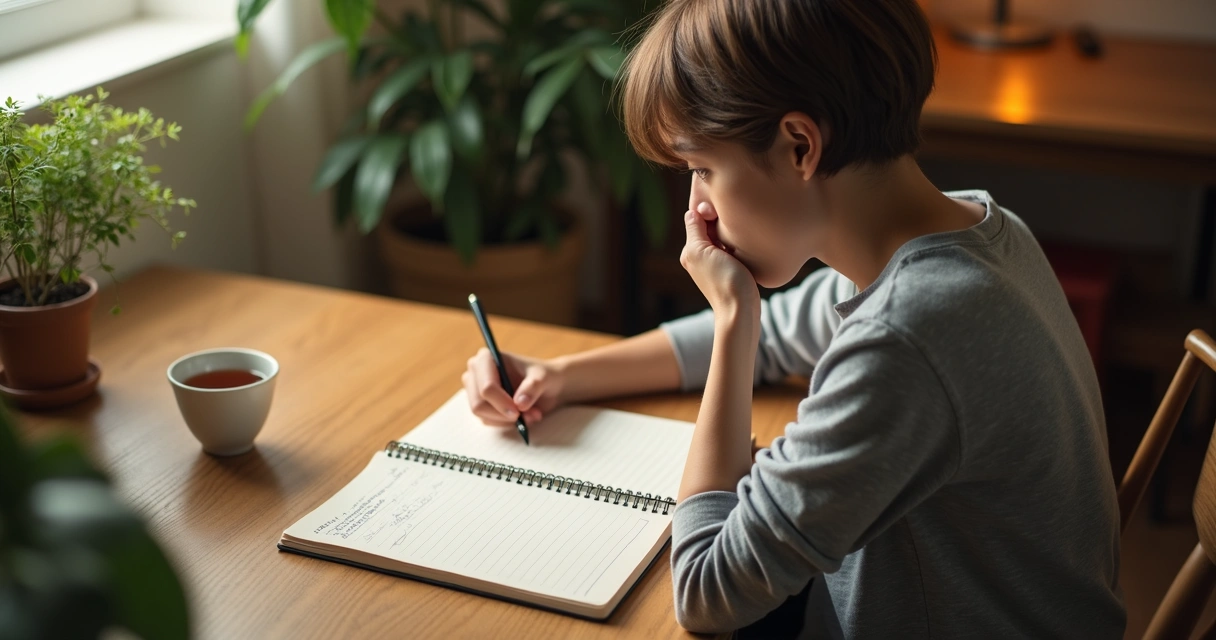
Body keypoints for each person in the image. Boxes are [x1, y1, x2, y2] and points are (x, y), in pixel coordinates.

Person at [462, 0, 1125, 636]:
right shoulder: (976, 228)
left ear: (800, 147)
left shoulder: (906, 335)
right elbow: (780, 336)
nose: (698, 211)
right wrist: (561, 375)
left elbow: (705, 590)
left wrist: (731, 319)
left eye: (701, 168)